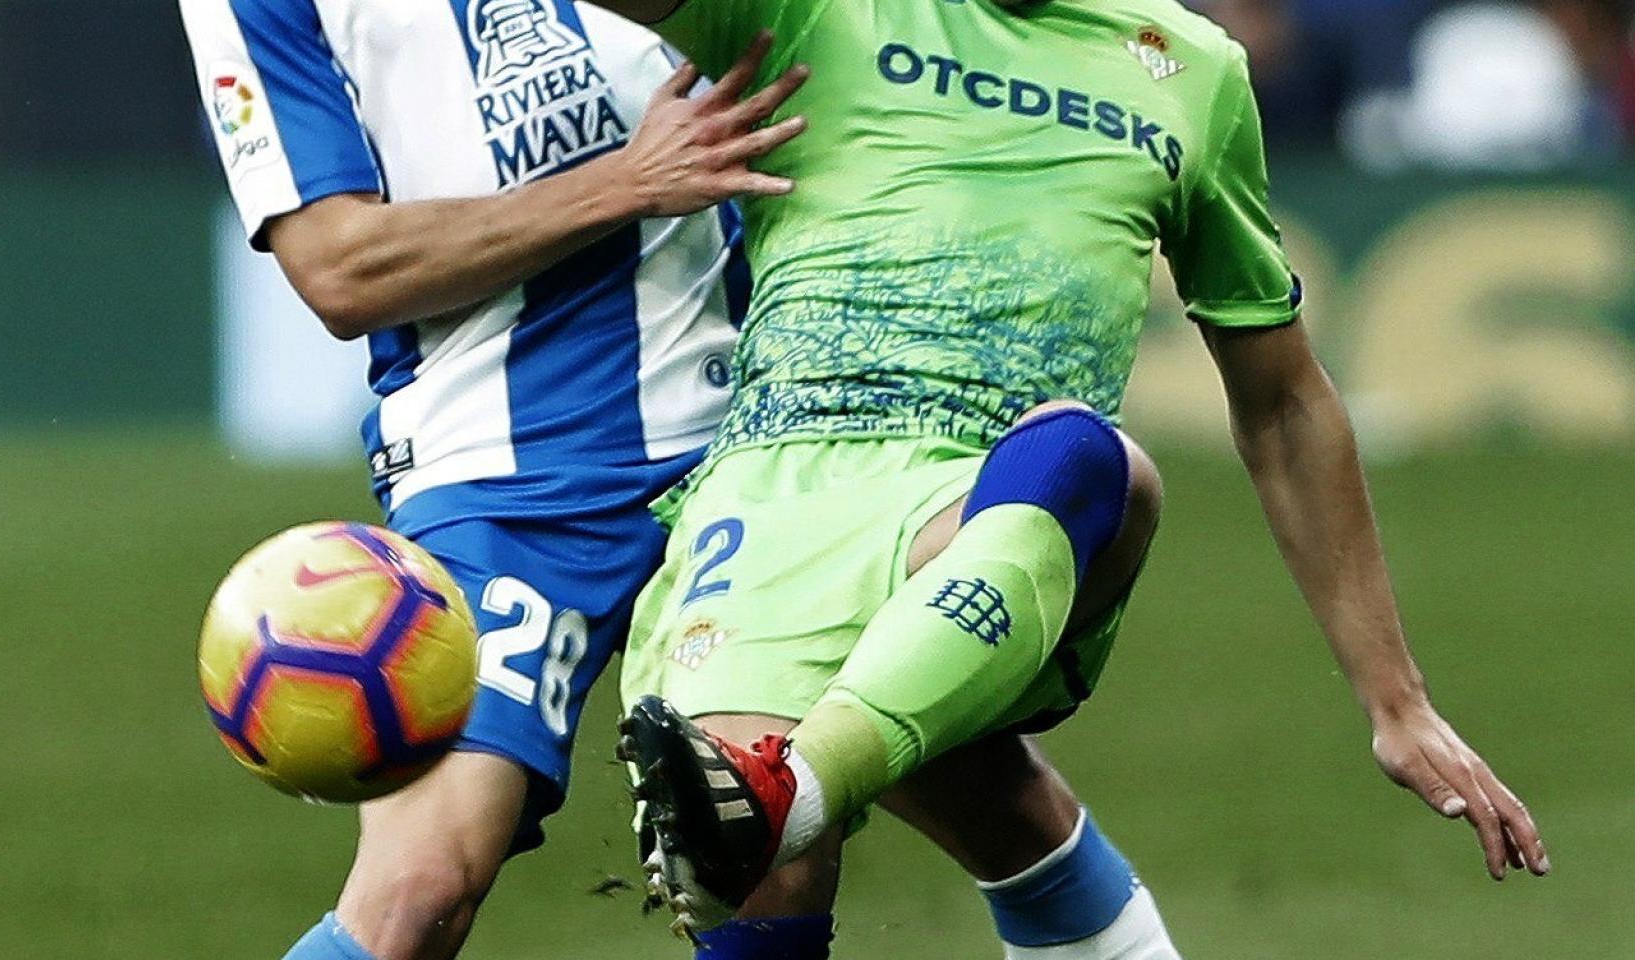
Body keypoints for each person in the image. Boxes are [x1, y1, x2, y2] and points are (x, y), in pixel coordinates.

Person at [588, 0, 1553, 953]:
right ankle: (802, 797)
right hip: (777, 498)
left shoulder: (1188, 66)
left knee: (1082, 454)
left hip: (989, 503)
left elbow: (1283, 400)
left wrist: (1397, 702)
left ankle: (790, 796)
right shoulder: (810, 9)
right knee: (923, 822)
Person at [179, 2, 808, 956]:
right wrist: (624, 183)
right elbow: (343, 267)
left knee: (806, 824)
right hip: (512, 473)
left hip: (762, 428)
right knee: (418, 889)